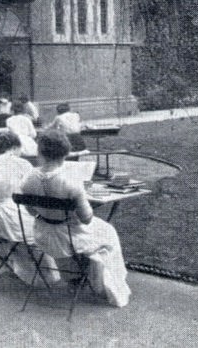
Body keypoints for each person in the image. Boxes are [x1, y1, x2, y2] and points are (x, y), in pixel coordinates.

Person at [19, 130, 131, 307]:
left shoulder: (27, 178)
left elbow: (32, 212)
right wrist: (80, 203)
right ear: (65, 153)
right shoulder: (71, 181)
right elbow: (86, 219)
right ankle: (104, 283)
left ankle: (75, 277)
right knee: (108, 231)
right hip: (68, 239)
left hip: (43, 236)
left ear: (40, 152)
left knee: (73, 232)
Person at [0, 131, 58, 283]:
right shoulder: (22, 164)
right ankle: (49, 276)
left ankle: (7, 267)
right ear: (15, 147)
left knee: (24, 223)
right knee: (48, 226)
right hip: (14, 219)